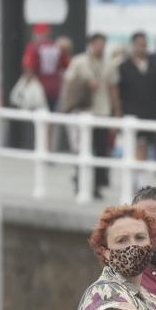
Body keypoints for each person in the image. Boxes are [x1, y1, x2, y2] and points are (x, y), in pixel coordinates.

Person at [61, 33, 114, 198]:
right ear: (91, 44)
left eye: (103, 44)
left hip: (102, 111)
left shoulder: (109, 64)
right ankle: (80, 182)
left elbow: (113, 87)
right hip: (83, 112)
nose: (101, 47)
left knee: (101, 150)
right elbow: (68, 82)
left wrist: (116, 112)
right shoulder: (79, 61)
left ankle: (97, 185)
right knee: (83, 149)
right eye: (98, 44)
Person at [110, 31, 156, 162]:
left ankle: (148, 173)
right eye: (139, 44)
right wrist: (118, 112)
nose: (142, 47)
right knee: (133, 149)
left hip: (152, 114)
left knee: (151, 148)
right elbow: (118, 92)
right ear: (133, 45)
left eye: (144, 44)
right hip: (131, 113)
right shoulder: (123, 67)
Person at [22, 22, 69, 110]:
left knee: (38, 113)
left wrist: (26, 85)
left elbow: (29, 67)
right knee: (52, 112)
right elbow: (66, 66)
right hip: (55, 87)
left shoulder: (33, 48)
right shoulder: (58, 47)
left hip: (38, 87)